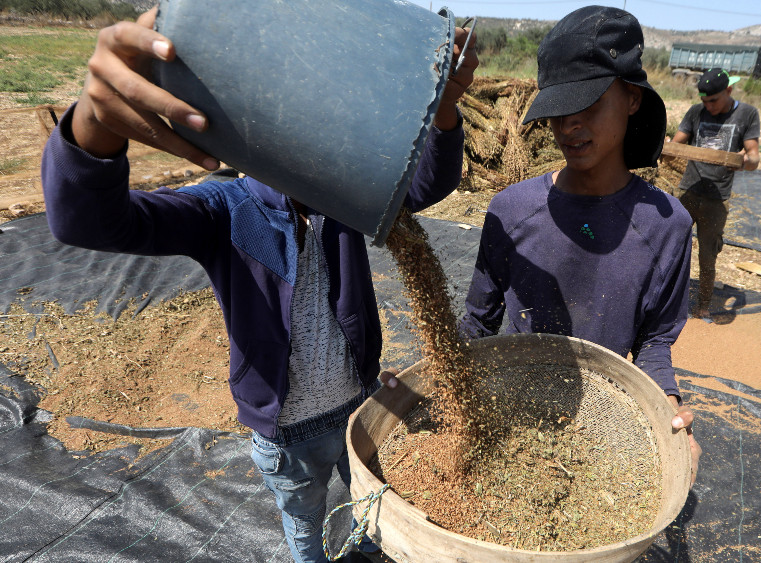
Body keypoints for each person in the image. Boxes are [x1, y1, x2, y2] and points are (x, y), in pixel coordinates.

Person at [40, 8, 477, 563]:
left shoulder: (344, 195)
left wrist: (443, 110)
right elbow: (88, 221)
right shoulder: (225, 209)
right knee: (305, 525)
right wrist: (93, 122)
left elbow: (426, 183)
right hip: (285, 434)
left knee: (372, 514)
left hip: (358, 410)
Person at [459, 5, 700, 482]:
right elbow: (477, 323)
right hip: (515, 417)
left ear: (632, 99)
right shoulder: (511, 210)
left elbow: (654, 342)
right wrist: (435, 375)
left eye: (588, 106)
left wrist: (667, 410)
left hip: (604, 427)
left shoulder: (667, 225)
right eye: (558, 110)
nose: (569, 126)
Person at [668, 67, 761, 319]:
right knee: (672, 248)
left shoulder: (747, 114)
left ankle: (702, 306)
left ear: (728, 91)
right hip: (689, 191)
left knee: (708, 256)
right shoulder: (696, 112)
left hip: (717, 199)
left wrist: (745, 161)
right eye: (704, 101)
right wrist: (667, 149)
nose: (708, 106)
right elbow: (677, 145)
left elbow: (753, 156)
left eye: (713, 101)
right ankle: (666, 301)